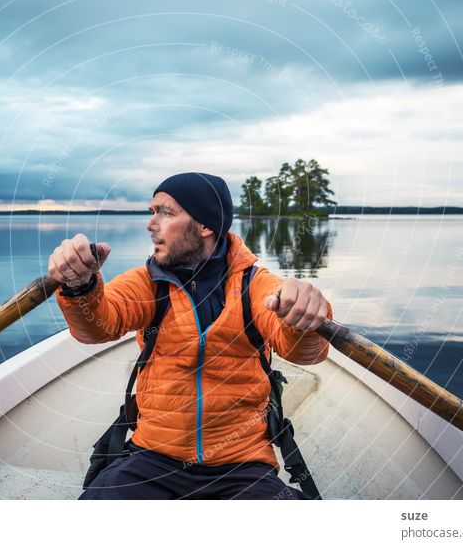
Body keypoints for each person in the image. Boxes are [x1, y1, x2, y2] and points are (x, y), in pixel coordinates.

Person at [49, 172, 333, 499]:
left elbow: (304, 352)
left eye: (166, 212)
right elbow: (98, 327)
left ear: (205, 226)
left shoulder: (254, 285)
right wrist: (80, 287)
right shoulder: (148, 282)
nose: (150, 224)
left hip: (241, 465)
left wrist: (304, 316)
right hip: (152, 458)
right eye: (152, 211)